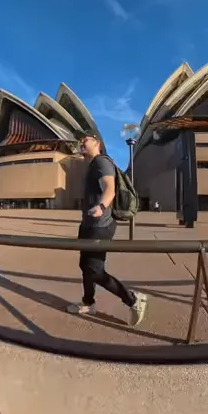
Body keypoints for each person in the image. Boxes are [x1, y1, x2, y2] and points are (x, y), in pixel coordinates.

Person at [66, 133, 148, 326]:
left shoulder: (101, 162)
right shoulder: (92, 165)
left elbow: (109, 188)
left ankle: (133, 300)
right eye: (81, 141)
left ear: (98, 144)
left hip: (100, 225)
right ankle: (88, 303)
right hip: (89, 224)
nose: (82, 143)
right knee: (86, 266)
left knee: (94, 269)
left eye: (86, 140)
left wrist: (101, 207)